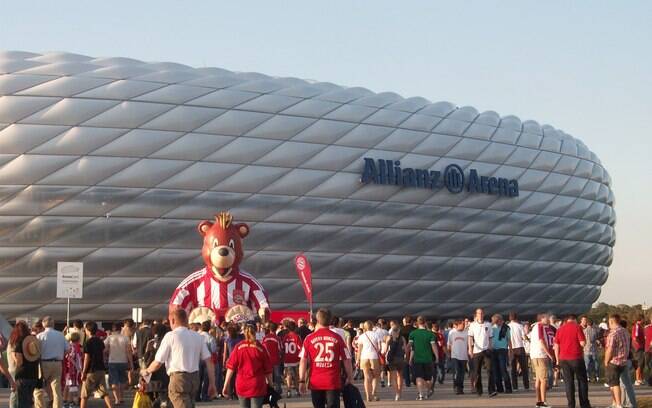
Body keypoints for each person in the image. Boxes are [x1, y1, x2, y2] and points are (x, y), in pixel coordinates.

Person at [143, 309, 216, 408]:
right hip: (194, 378)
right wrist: (212, 383)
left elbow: (158, 362)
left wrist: (147, 371)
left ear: (173, 320)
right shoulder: (197, 336)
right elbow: (209, 361)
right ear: (186, 320)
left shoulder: (171, 336)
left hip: (178, 379)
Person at [299, 308, 353, 408]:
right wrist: (350, 376)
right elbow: (347, 359)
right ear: (331, 320)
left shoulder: (309, 338)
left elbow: (303, 360)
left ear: (317, 320)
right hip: (333, 381)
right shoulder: (337, 338)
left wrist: (302, 380)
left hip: (316, 381)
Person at [222, 324, 272, 408]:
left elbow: (231, 368)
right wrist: (270, 385)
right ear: (255, 333)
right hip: (257, 385)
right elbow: (268, 370)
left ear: (244, 334)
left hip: (242, 384)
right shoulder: (261, 348)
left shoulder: (238, 347)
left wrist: (225, 385)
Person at [553, 314, 591, 408]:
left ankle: (571, 404)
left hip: (563, 359)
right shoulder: (577, 328)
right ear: (574, 320)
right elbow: (583, 343)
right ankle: (584, 404)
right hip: (576, 358)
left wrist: (557, 360)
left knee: (568, 382)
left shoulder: (560, 329)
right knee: (582, 381)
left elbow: (556, 346)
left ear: (566, 320)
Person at [33, 316, 68, 408]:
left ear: (43, 324)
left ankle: (40, 406)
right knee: (56, 389)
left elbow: (35, 351)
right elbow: (68, 349)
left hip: (44, 363)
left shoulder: (40, 336)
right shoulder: (60, 335)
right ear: (53, 324)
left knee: (39, 388)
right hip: (57, 363)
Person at [80, 321, 112, 408]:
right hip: (101, 369)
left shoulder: (88, 342)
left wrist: (83, 372)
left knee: (84, 395)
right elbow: (103, 353)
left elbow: (87, 358)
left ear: (87, 330)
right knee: (104, 392)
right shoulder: (100, 341)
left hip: (91, 370)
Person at [10, 321, 39, 408]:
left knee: (23, 403)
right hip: (34, 375)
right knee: (29, 401)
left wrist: (13, 355)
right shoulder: (33, 341)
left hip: (23, 376)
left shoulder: (19, 342)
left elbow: (19, 362)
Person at [408, 316, 437, 401]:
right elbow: (433, 346)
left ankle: (421, 394)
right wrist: (437, 356)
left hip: (417, 359)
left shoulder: (413, 334)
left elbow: (411, 348)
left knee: (418, 377)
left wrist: (409, 358)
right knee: (428, 379)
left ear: (417, 323)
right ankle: (429, 388)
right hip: (428, 359)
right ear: (425, 323)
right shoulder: (430, 334)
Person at [468, 308, 495, 398]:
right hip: (477, 350)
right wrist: (470, 349)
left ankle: (491, 390)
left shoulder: (488, 324)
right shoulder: (472, 325)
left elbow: (490, 337)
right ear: (476, 315)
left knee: (490, 370)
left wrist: (490, 347)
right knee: (477, 372)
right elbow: (470, 337)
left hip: (487, 350)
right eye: (479, 313)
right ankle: (479, 389)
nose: (481, 315)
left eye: (482, 313)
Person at [104, 322, 133, 406]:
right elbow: (128, 352)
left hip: (112, 361)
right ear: (120, 328)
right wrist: (131, 363)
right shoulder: (125, 338)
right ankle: (121, 398)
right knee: (122, 381)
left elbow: (104, 349)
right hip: (123, 361)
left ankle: (116, 399)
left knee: (114, 381)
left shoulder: (109, 338)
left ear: (113, 328)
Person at [142, 323, 170, 407]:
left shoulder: (151, 342)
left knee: (154, 400)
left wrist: (148, 350)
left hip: (151, 376)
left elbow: (146, 359)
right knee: (163, 399)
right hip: (164, 376)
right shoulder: (166, 342)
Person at [605, 314, 629, 408]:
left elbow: (610, 349)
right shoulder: (625, 331)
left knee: (614, 384)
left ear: (611, 322)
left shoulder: (613, 333)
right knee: (614, 382)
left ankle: (618, 404)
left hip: (614, 361)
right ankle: (615, 403)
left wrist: (606, 360)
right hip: (624, 361)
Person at [531, 313, 554, 408]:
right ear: (542, 318)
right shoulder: (540, 326)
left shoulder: (534, 328)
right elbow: (541, 340)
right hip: (540, 355)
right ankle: (543, 401)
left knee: (538, 379)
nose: (548, 320)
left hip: (534, 355)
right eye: (547, 318)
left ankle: (539, 401)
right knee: (544, 379)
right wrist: (549, 354)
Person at [356, 320, 382, 402]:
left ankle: (368, 396)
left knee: (366, 378)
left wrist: (357, 360)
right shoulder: (376, 335)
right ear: (372, 326)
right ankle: (374, 391)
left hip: (364, 357)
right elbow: (379, 348)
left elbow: (359, 350)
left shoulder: (362, 336)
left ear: (364, 327)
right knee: (376, 376)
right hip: (373, 357)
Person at [490, 314, 512, 394]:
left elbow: (509, 340)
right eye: (494, 321)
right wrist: (492, 324)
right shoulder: (491, 328)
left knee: (503, 369)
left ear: (501, 320)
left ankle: (508, 388)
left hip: (502, 350)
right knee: (496, 370)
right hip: (493, 350)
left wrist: (511, 351)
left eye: (497, 320)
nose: (496, 322)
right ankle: (499, 388)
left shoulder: (506, 328)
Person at [508, 312, 529, 391]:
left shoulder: (507, 326)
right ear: (516, 318)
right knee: (524, 368)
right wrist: (528, 340)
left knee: (513, 368)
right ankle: (526, 386)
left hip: (510, 348)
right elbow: (524, 336)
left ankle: (515, 386)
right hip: (520, 347)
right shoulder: (520, 326)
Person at [385, 327, 407, 401]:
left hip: (392, 360)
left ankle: (397, 394)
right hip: (400, 359)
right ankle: (400, 393)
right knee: (400, 376)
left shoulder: (389, 338)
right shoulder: (402, 338)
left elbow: (385, 350)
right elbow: (405, 349)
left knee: (393, 378)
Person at [281, 321, 302, 398]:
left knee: (288, 375)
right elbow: (300, 348)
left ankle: (288, 391)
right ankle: (297, 390)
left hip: (287, 359)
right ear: (295, 328)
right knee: (296, 375)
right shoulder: (297, 337)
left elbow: (282, 348)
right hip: (295, 359)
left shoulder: (286, 337)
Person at [198, 321, 217, 402]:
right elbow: (213, 350)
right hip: (207, 360)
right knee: (206, 379)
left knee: (198, 378)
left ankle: (196, 396)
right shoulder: (210, 338)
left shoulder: (197, 336)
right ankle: (204, 395)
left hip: (198, 359)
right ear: (209, 328)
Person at [447, 320, 468, 395]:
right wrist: (449, 354)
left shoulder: (467, 332)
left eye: (464, 324)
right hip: (455, 356)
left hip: (464, 356)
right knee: (456, 372)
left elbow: (469, 344)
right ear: (458, 325)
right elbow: (449, 344)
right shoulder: (452, 332)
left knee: (462, 373)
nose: (464, 326)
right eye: (462, 324)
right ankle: (456, 387)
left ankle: (460, 388)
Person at [63, 332, 83, 408]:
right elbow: (71, 357)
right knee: (73, 386)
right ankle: (72, 402)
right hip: (73, 370)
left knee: (67, 385)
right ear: (78, 339)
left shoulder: (69, 346)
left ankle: (65, 401)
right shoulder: (75, 347)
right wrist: (77, 366)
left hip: (68, 369)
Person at [261, 322, 283, 393]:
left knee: (268, 376)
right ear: (276, 329)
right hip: (276, 360)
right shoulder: (277, 338)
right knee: (277, 376)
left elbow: (262, 349)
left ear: (269, 329)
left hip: (267, 360)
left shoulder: (265, 338)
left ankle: (268, 390)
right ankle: (278, 390)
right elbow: (281, 349)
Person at [580, 316, 600, 383]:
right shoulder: (595, 331)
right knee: (595, 364)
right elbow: (597, 339)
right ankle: (597, 376)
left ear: (587, 324)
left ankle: (587, 377)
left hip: (586, 349)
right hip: (594, 349)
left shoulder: (584, 331)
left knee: (587, 364)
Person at [399, 316, 415, 387]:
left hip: (404, 348)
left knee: (405, 365)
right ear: (411, 322)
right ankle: (414, 379)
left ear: (405, 322)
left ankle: (407, 382)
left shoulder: (401, 330)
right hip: (413, 348)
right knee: (413, 364)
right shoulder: (415, 330)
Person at [632, 315, 646, 386]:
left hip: (641, 347)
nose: (644, 320)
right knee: (639, 363)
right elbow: (635, 337)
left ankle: (641, 379)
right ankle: (637, 379)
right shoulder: (637, 326)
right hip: (638, 348)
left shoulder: (640, 326)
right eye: (643, 319)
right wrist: (638, 344)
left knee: (642, 364)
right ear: (641, 319)